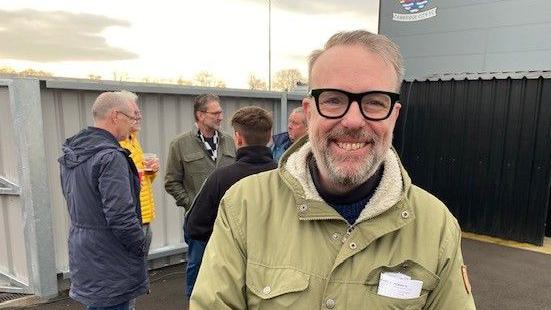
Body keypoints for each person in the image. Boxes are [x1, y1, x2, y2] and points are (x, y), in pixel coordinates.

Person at [191, 30, 476, 309]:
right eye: (333, 100)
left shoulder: (437, 226)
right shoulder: (244, 206)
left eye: (375, 102)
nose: (353, 121)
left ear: (394, 115)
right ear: (310, 111)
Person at [58, 91, 148, 310]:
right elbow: (120, 216)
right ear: (116, 116)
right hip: (111, 259)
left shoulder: (74, 152)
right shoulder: (111, 156)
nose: (133, 124)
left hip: (87, 252)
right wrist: (140, 245)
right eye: (130, 118)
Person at [184, 106, 277, 295]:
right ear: (270, 137)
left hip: (230, 272)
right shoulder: (285, 176)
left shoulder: (220, 178)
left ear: (238, 138)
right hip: (275, 272)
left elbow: (195, 226)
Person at [164, 93, 236, 298]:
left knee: (227, 270)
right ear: (200, 115)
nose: (221, 117)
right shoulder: (180, 144)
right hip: (199, 222)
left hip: (227, 221)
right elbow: (171, 181)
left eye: (221, 112)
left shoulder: (229, 142)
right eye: (216, 113)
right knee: (197, 267)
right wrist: (191, 205)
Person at [118, 91, 160, 310]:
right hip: (132, 220)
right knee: (129, 274)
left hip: (144, 216)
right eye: (135, 113)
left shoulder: (134, 140)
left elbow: (139, 183)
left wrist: (149, 172)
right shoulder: (119, 144)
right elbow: (120, 189)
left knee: (135, 274)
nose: (139, 117)